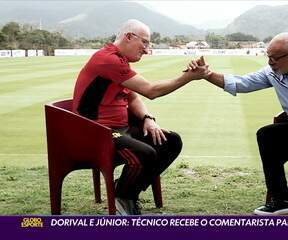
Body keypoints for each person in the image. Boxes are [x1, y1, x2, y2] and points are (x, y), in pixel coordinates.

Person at [188, 32, 288, 215]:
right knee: (266, 135)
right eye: (268, 57)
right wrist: (207, 74)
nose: (269, 63)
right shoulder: (272, 73)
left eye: (274, 58)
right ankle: (281, 200)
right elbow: (242, 83)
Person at [72, 19, 210, 215]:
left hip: (119, 129)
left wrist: (147, 118)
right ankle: (122, 197)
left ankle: (126, 190)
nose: (147, 50)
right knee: (145, 153)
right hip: (97, 132)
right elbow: (150, 91)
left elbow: (134, 97)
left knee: (171, 141)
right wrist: (189, 77)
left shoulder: (119, 60)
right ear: (129, 37)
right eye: (144, 42)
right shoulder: (108, 60)